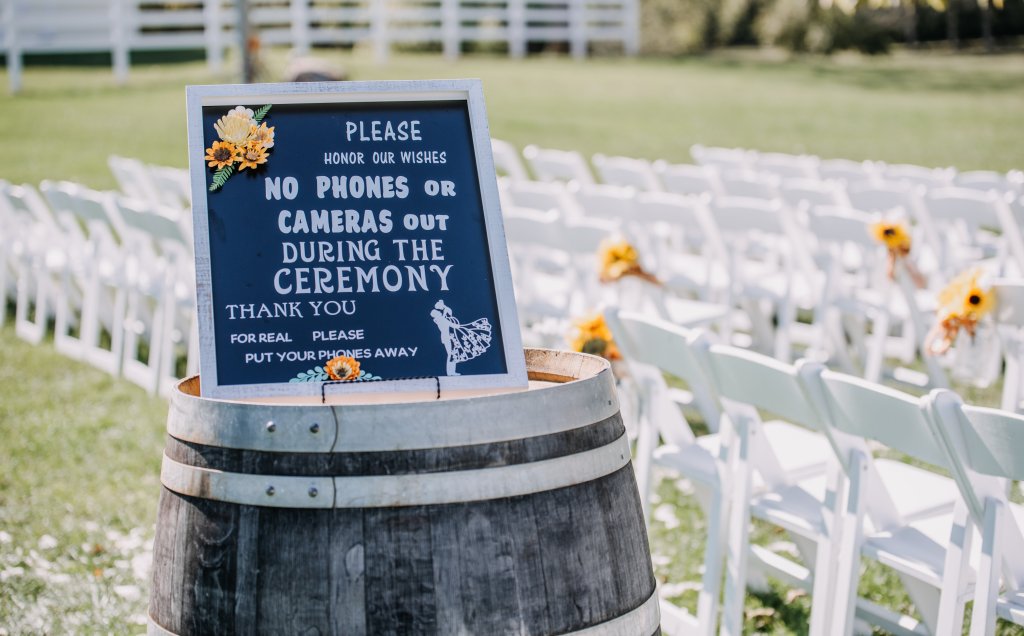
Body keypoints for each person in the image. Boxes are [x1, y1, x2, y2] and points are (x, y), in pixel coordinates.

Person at [430, 300, 492, 376]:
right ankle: (450, 372)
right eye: (437, 312)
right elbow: (453, 325)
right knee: (451, 355)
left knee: (452, 355)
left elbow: (448, 313)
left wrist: (444, 307)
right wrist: (466, 326)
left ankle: (451, 372)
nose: (439, 312)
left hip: (448, 337)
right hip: (448, 338)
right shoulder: (441, 319)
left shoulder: (440, 318)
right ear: (436, 314)